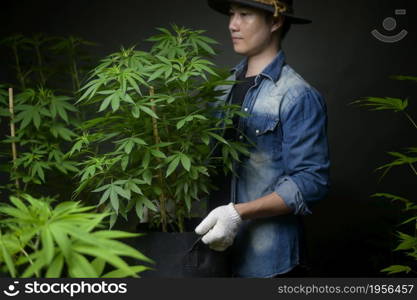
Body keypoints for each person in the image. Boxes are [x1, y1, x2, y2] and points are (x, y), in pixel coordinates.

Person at [194, 0, 331, 278]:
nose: (233, 24)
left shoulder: (296, 95)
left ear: (276, 21)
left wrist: (237, 213)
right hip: (212, 254)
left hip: (267, 260)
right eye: (232, 14)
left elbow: (310, 181)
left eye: (245, 15)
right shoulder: (220, 88)